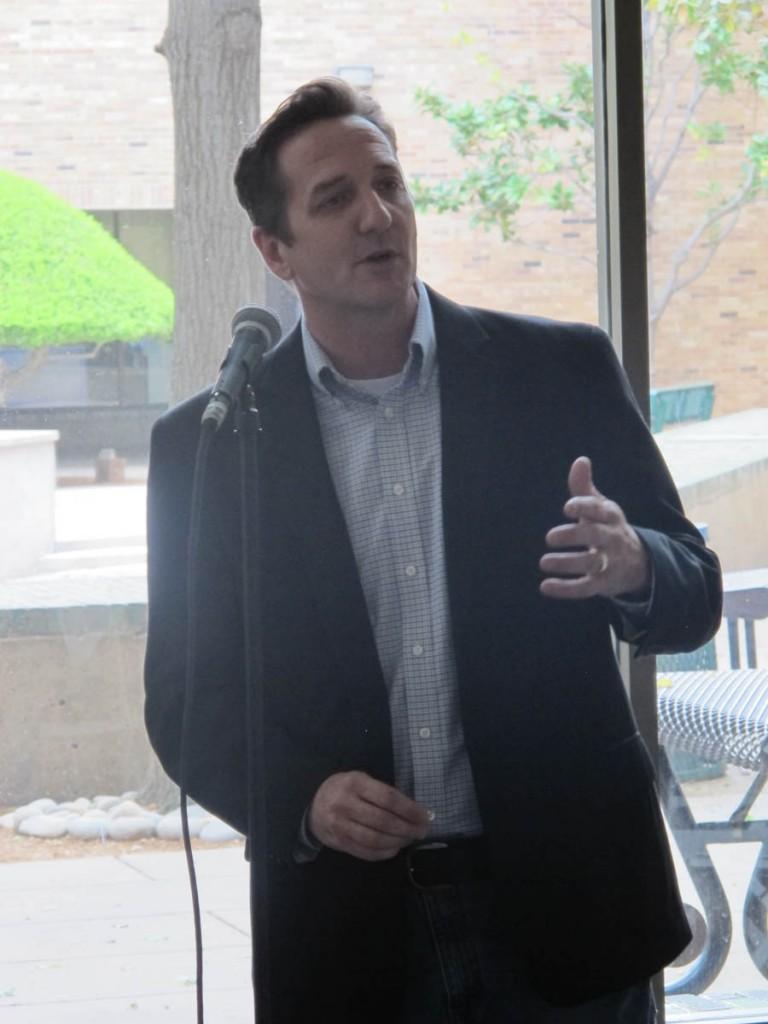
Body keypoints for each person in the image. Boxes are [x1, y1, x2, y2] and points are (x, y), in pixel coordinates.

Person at [144, 78, 722, 1023]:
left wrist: (638, 565)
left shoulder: (559, 370)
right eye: (334, 199)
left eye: (389, 183)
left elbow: (694, 591)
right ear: (274, 251)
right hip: (349, 934)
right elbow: (185, 702)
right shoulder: (210, 444)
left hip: (569, 909)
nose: (377, 215)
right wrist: (303, 797)